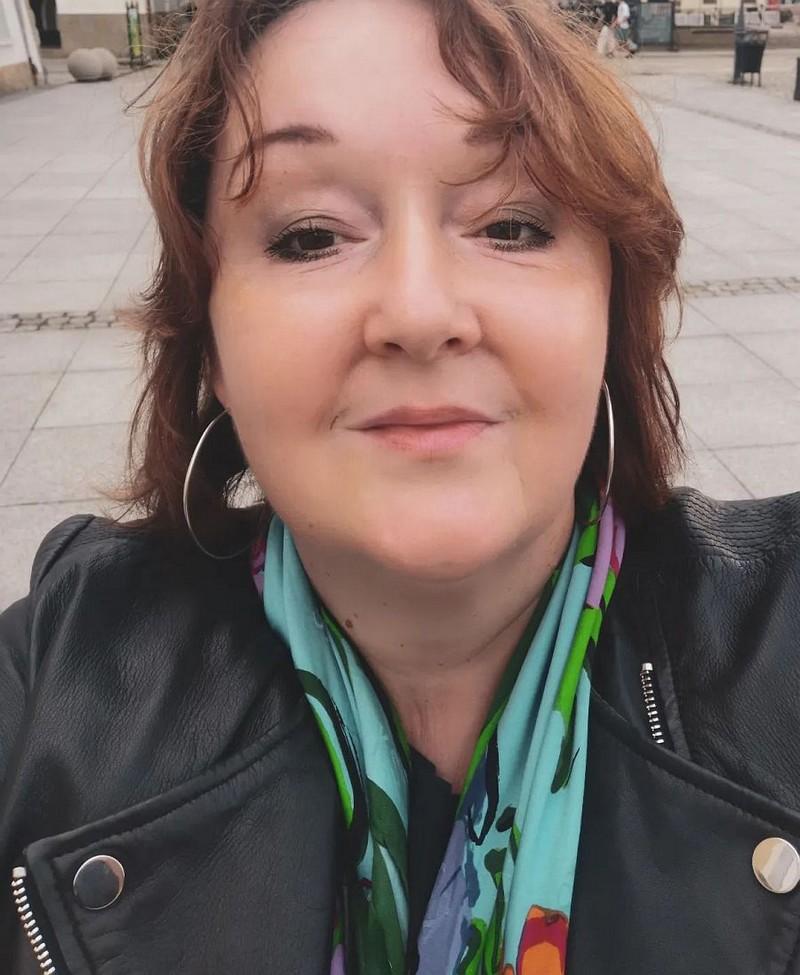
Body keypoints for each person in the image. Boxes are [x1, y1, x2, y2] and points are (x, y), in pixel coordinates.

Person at [1, 0, 799, 973]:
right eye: (309, 237)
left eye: (511, 224)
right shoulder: (51, 691)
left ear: (612, 305)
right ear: (209, 342)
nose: (419, 313)